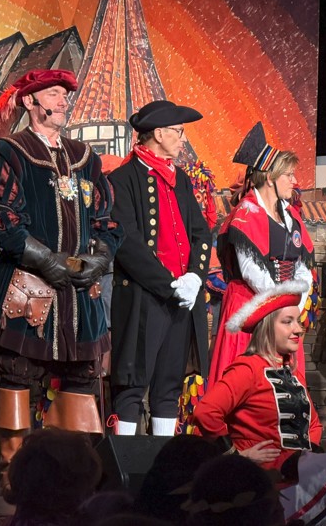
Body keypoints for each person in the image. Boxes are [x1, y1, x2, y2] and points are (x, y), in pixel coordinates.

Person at [0, 69, 122, 477]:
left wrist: (100, 258)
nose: (63, 101)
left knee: (81, 379)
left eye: (64, 94)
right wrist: (44, 259)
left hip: (80, 292)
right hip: (28, 286)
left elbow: (106, 220)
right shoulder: (9, 152)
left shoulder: (85, 158)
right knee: (16, 376)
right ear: (30, 101)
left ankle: (74, 473)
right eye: (54, 93)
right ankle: (13, 471)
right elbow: (0, 219)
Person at [107, 100, 212, 437]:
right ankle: (124, 461)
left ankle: (162, 461)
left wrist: (194, 277)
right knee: (132, 384)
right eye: (179, 132)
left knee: (169, 386)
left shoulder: (180, 180)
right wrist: (169, 285)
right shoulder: (122, 179)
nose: (183, 139)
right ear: (159, 133)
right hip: (144, 300)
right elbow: (128, 243)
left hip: (182, 300)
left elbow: (201, 233)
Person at [208, 122, 314, 387]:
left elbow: (302, 266)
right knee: (245, 384)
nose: (294, 181)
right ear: (269, 178)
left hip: (284, 310)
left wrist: (295, 303)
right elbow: (251, 271)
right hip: (251, 306)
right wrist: (282, 304)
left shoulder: (290, 215)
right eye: (288, 175)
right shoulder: (246, 214)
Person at [193, 279, 321, 472]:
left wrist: (306, 459)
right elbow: (206, 412)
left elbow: (314, 425)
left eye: (298, 322)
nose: (298, 329)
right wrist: (235, 455)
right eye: (288, 322)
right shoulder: (248, 369)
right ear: (267, 328)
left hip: (297, 477)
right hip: (260, 477)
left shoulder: (294, 375)